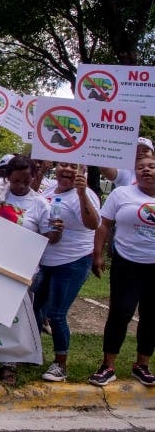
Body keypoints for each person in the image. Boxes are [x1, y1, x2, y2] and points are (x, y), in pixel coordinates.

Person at [0, 156, 64, 385]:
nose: (21, 186)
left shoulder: (40, 204)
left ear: (34, 177)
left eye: (26, 181)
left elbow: (50, 238)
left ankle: (10, 362)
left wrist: (57, 231)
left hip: (23, 267)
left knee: (16, 315)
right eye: (15, 181)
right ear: (7, 178)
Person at [28, 161, 99, 383]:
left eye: (73, 166)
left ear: (82, 171)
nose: (67, 169)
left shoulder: (85, 194)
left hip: (72, 263)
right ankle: (32, 352)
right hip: (46, 262)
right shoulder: (50, 189)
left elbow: (93, 224)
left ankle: (60, 364)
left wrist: (82, 194)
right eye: (63, 165)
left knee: (56, 314)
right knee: (34, 307)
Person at [89, 155, 155, 387]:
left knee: (151, 316)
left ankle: (142, 365)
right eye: (140, 167)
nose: (146, 170)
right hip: (127, 264)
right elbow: (104, 225)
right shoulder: (121, 195)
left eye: (152, 166)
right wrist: (97, 254)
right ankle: (108, 366)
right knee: (120, 313)